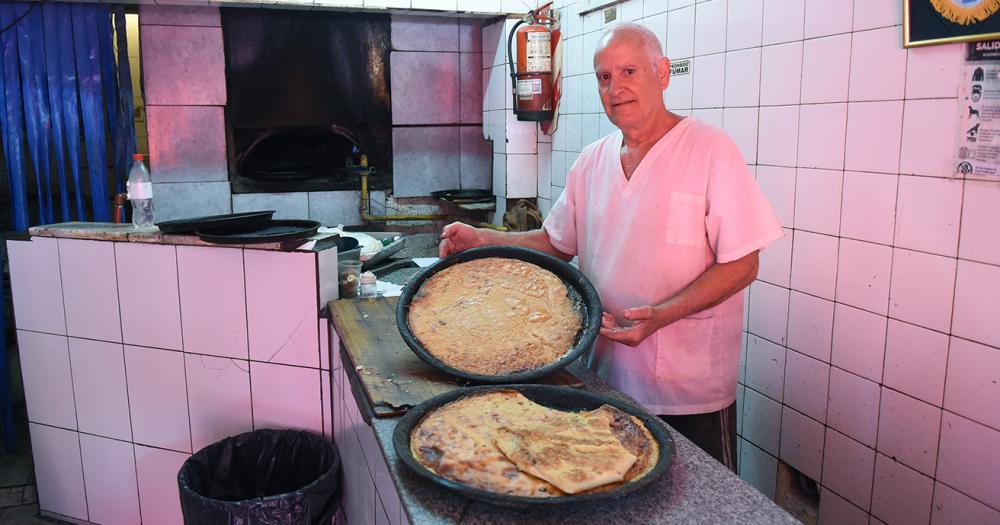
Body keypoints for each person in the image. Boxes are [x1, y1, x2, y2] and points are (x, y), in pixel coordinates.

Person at [438, 23, 782, 472]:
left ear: (661, 74)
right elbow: (556, 244)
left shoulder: (709, 150)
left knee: (700, 505)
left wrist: (662, 315)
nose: (616, 88)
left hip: (687, 388)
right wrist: (485, 239)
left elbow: (743, 264)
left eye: (629, 71)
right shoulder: (592, 161)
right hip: (605, 378)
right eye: (604, 77)